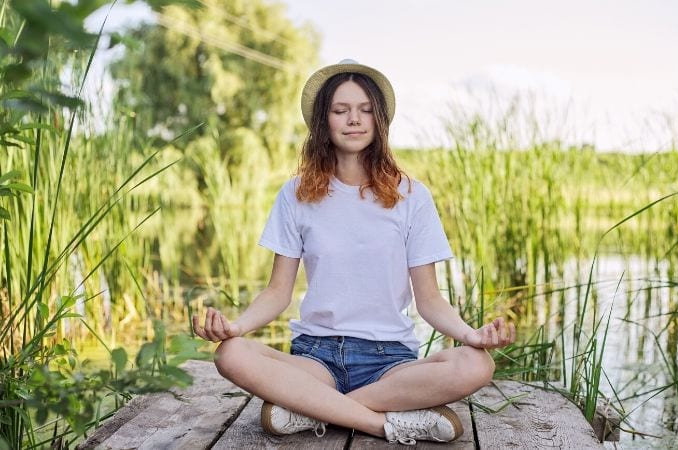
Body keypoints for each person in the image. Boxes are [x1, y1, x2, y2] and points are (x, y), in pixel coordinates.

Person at [192, 59, 516, 446]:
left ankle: (309, 409)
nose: (354, 120)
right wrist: (236, 327)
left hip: (390, 362)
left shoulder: (412, 196)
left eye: (364, 110)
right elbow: (278, 292)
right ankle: (386, 423)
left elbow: (428, 300)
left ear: (379, 120)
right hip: (315, 357)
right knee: (231, 355)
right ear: (323, 122)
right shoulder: (294, 195)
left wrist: (471, 334)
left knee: (478, 363)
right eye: (340, 110)